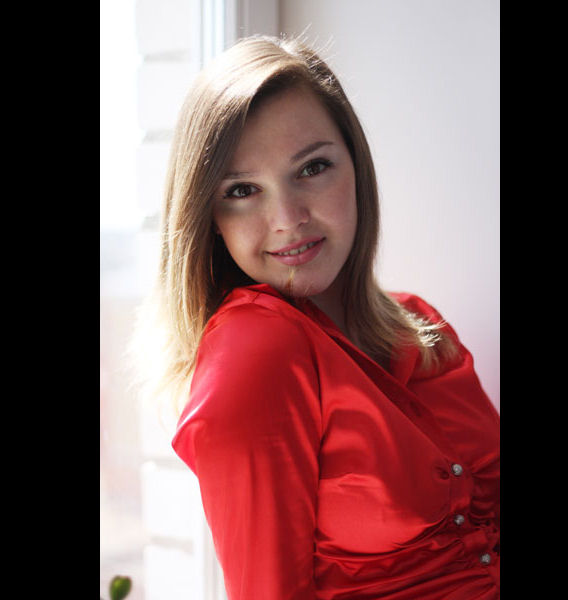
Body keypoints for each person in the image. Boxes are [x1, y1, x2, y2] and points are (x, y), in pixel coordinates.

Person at [138, 34, 500, 599]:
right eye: (242, 190)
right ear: (207, 217)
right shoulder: (254, 350)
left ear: (356, 166)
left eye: (312, 168)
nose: (287, 218)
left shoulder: (419, 322)